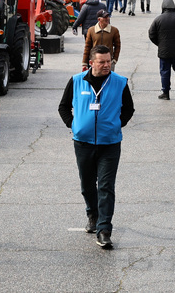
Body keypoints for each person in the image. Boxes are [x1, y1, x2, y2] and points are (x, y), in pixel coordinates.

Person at [58, 45, 135, 250]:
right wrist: (73, 124)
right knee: (87, 184)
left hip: (109, 143)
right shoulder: (76, 81)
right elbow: (63, 107)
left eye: (109, 61)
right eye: (102, 62)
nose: (106, 65)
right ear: (91, 63)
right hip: (83, 143)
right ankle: (92, 214)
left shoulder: (119, 82)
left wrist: (116, 125)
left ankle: (104, 230)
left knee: (106, 186)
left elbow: (129, 108)